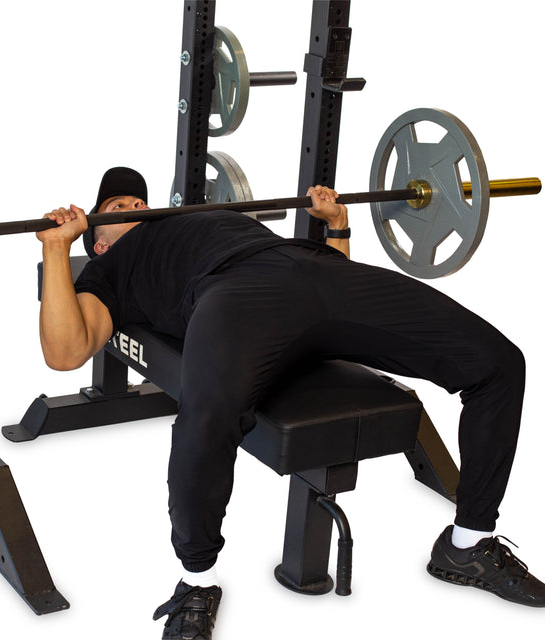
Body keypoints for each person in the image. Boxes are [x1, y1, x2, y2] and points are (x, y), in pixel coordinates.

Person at [37, 167, 545, 640]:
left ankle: (467, 545)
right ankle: (197, 582)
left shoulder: (200, 216)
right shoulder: (110, 271)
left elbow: (335, 328)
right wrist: (58, 250)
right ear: (99, 241)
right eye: (117, 205)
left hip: (311, 265)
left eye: (138, 200)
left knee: (499, 363)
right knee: (206, 414)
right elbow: (66, 351)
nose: (134, 205)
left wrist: (338, 227)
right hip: (235, 292)